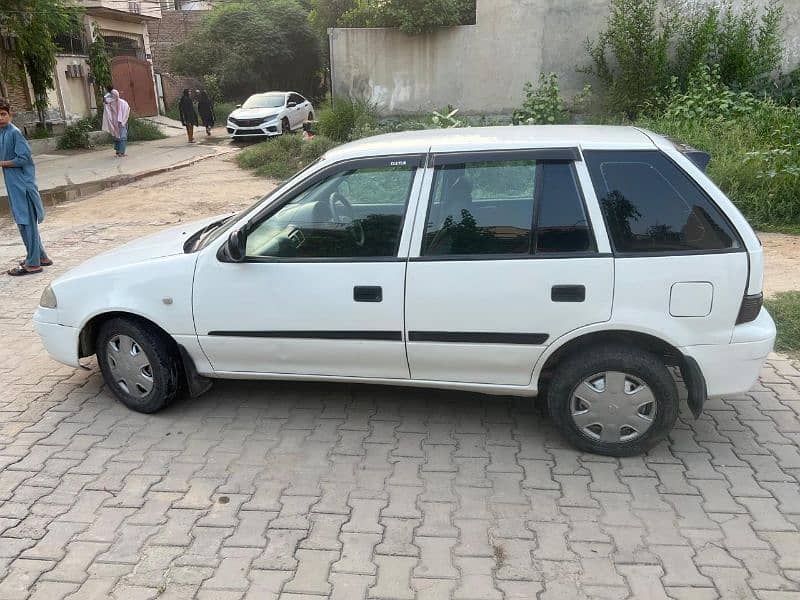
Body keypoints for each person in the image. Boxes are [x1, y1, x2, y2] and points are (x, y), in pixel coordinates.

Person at [0, 97, 52, 276]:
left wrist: (3, 163)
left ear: (10, 115)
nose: (0, 118)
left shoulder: (14, 132)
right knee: (25, 222)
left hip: (22, 186)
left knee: (26, 223)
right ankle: (41, 256)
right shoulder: (3, 133)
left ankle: (33, 263)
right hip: (14, 185)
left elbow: (24, 158)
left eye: (3, 114)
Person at [102, 86, 130, 157]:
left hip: (115, 122)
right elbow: (126, 111)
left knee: (117, 136)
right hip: (120, 122)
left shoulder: (109, 103)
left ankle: (118, 152)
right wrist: (123, 121)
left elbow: (106, 98)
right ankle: (121, 152)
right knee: (122, 137)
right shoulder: (120, 102)